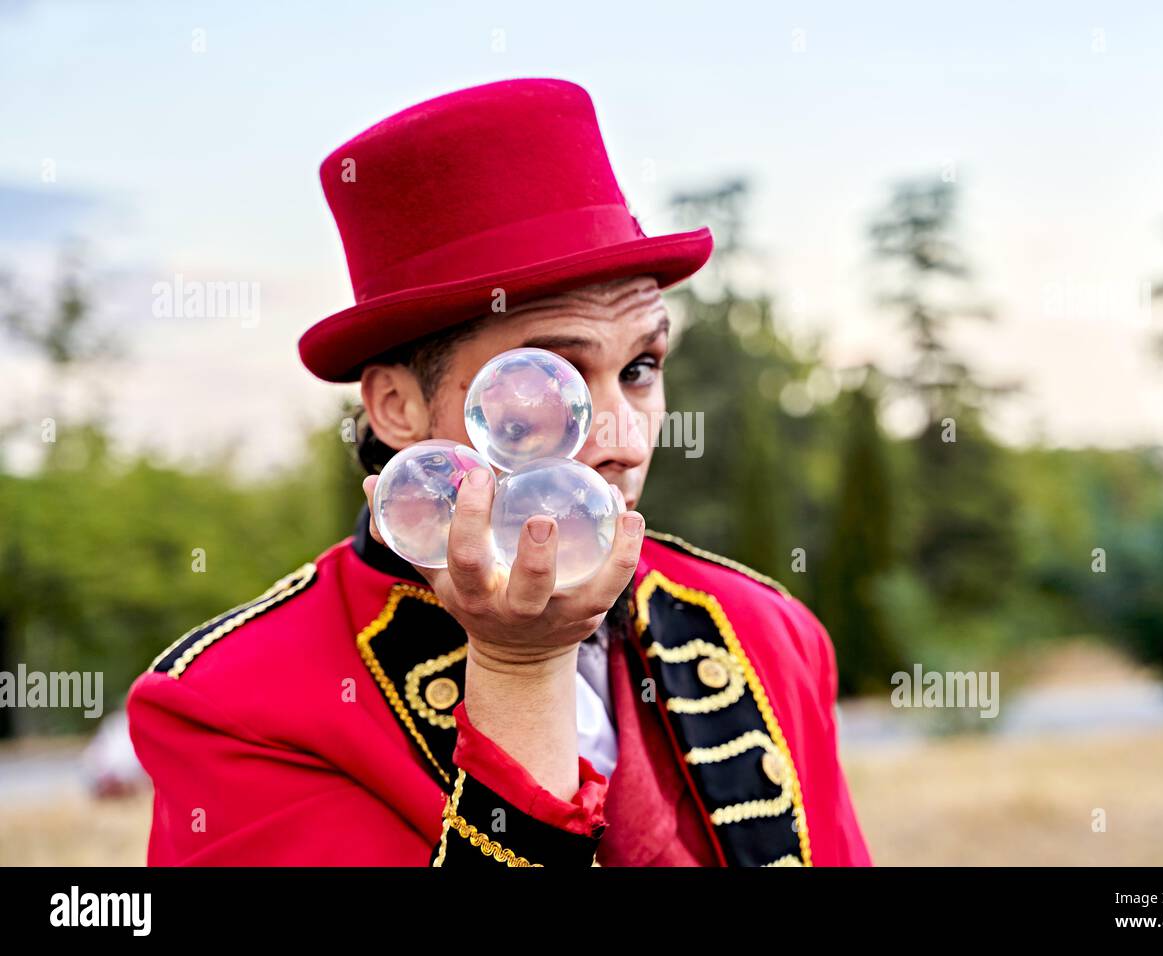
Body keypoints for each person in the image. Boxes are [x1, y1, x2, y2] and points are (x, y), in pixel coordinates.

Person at [126, 77, 872, 867]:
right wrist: (520, 670)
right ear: (396, 406)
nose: (621, 437)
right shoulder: (235, 700)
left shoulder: (769, 631)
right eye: (545, 382)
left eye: (642, 367)